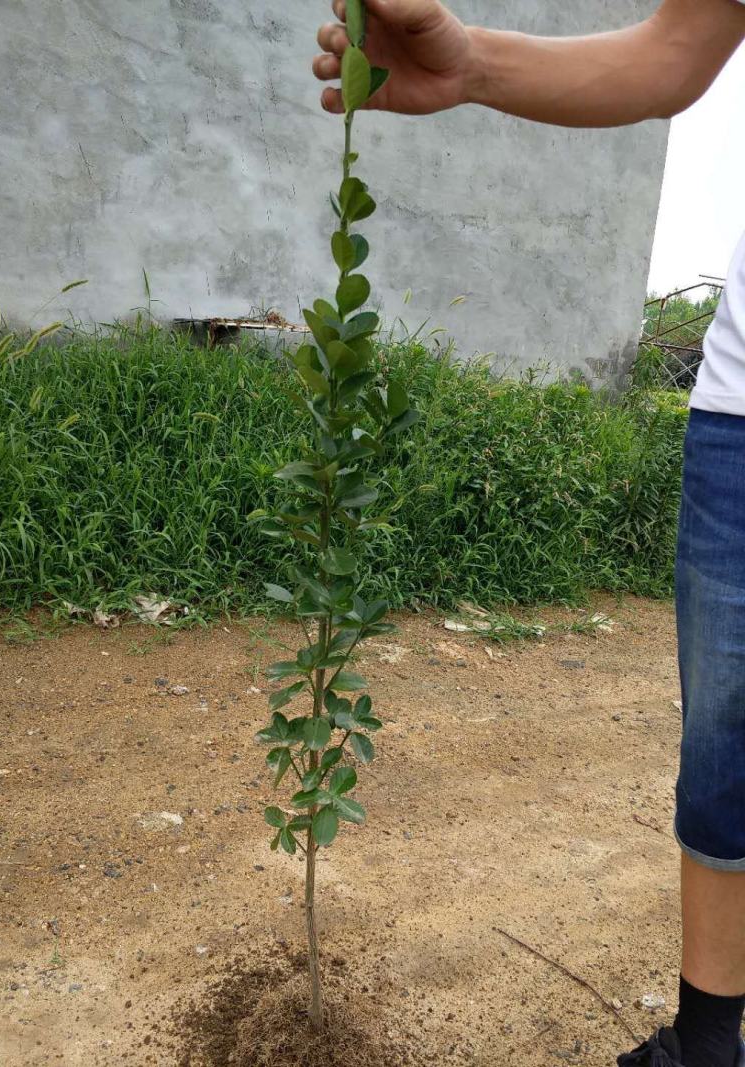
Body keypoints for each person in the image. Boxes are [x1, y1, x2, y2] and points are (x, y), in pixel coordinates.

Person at [313, 2, 745, 1065]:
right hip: (742, 422)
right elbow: (670, 53)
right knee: (724, 751)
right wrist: (468, 67)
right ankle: (706, 1041)